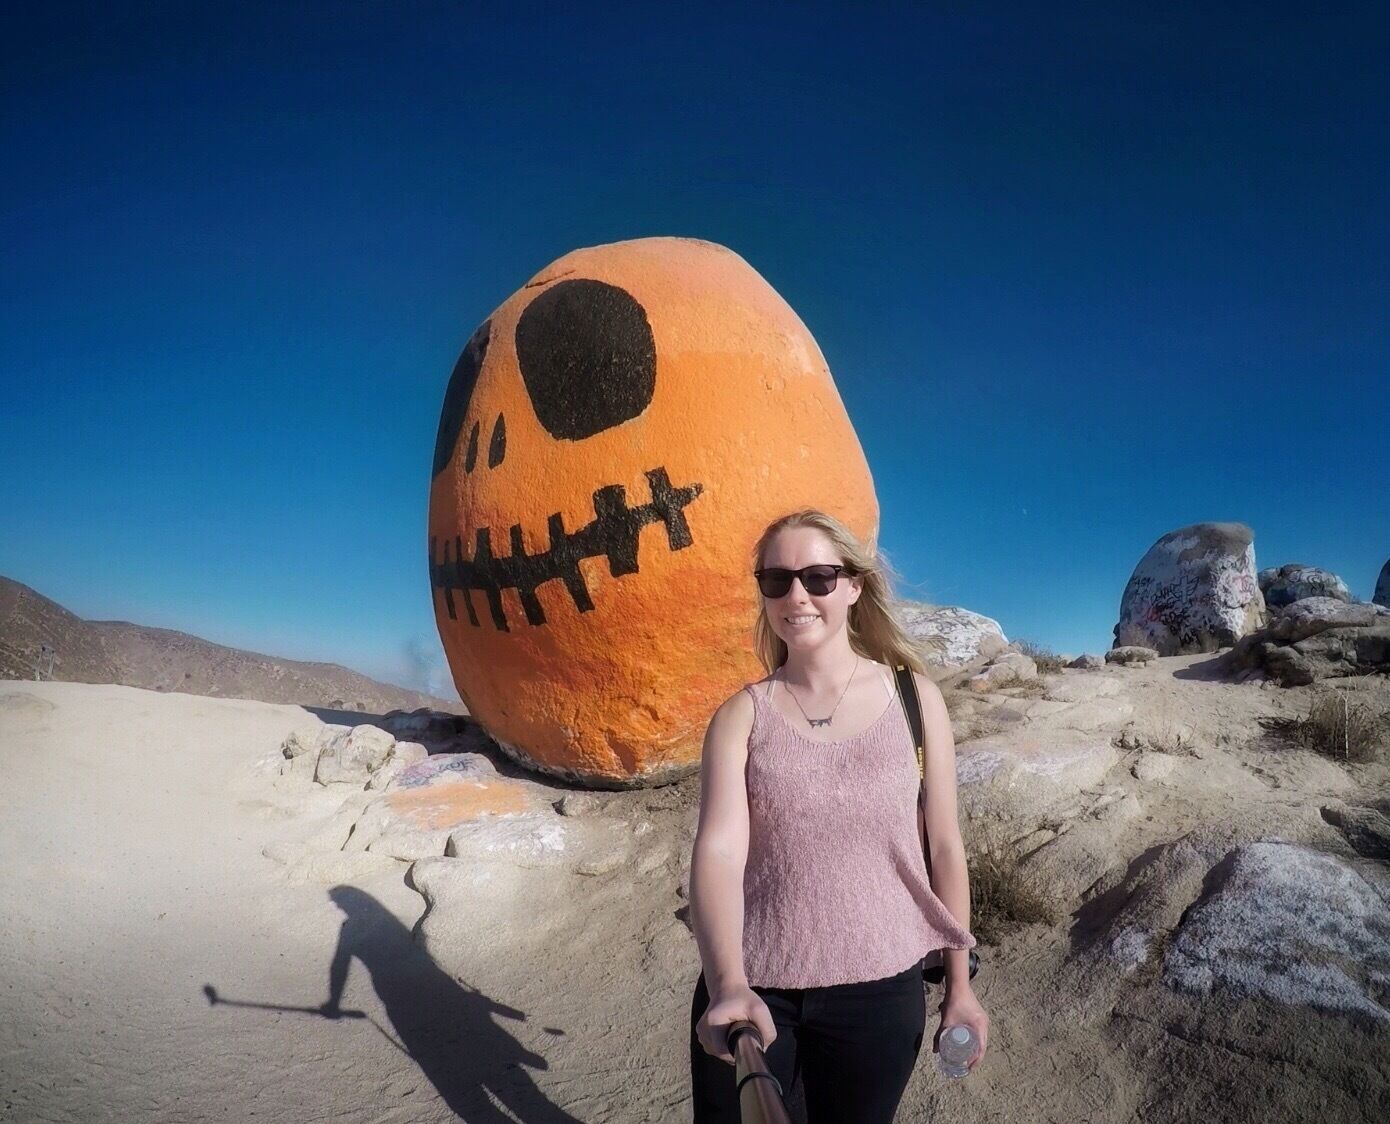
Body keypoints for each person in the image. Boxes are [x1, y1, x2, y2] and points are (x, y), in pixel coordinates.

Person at [687, 508, 989, 1123]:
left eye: (818, 577)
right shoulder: (740, 717)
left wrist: (960, 987)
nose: (796, 595)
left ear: (853, 586)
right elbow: (718, 852)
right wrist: (726, 984)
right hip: (755, 985)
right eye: (776, 580)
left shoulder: (915, 700)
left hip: (880, 992)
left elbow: (945, 848)